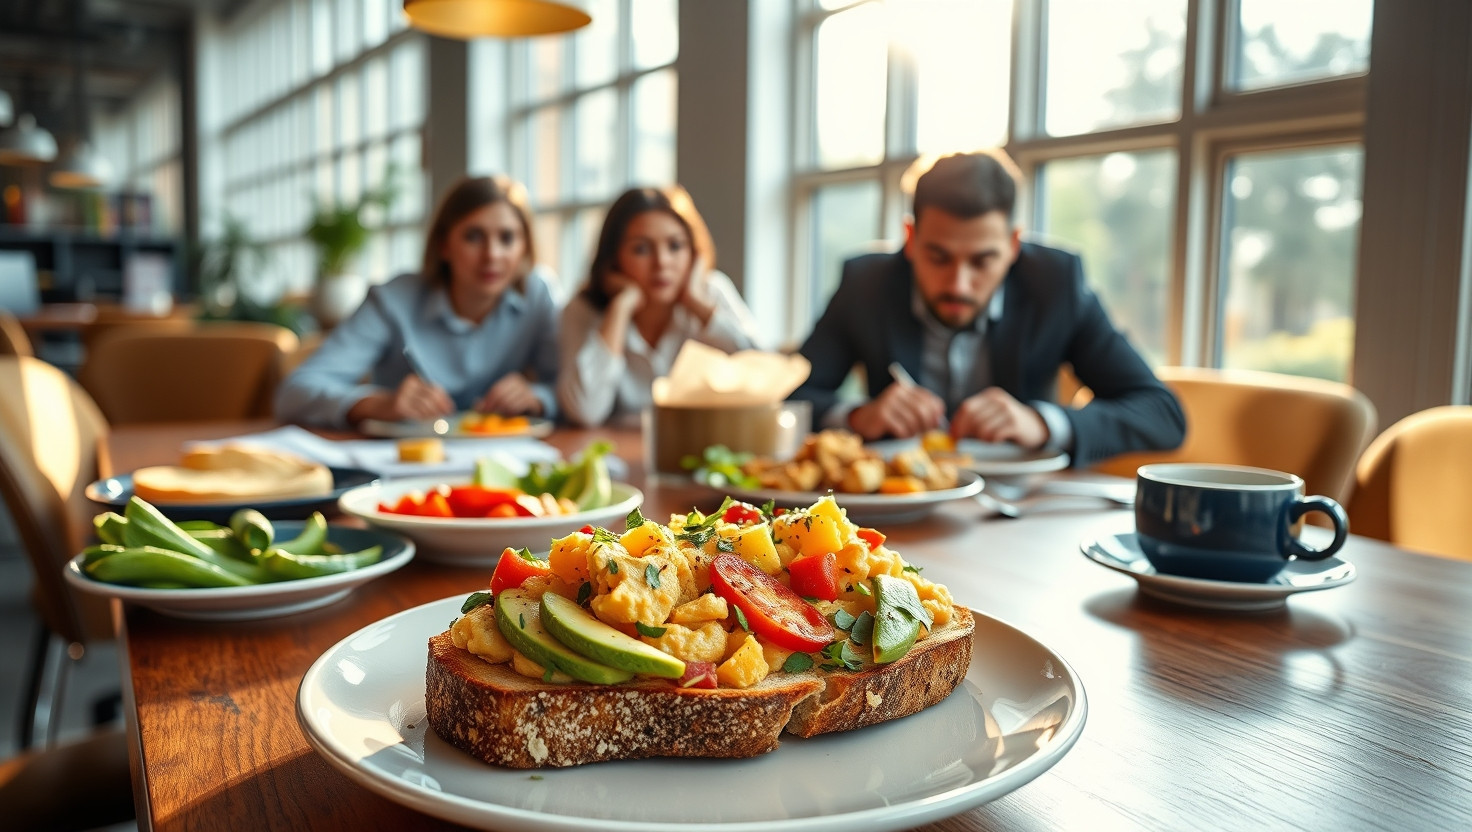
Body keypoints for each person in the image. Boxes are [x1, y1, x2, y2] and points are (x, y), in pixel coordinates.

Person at [791, 150, 1185, 468]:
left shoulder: (1056, 284)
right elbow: (789, 400)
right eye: (938, 256)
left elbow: (1162, 413)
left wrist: (1042, 423)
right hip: (897, 513)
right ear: (910, 239)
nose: (958, 284)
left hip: (1019, 516)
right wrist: (859, 417)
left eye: (982, 261)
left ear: (1014, 245)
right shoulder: (865, 284)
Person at [275, 175, 560, 428]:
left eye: (507, 238)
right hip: (400, 460)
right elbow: (294, 393)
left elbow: (570, 392)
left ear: (525, 247)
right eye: (474, 237)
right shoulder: (392, 300)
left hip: (502, 459)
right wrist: (376, 405)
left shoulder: (537, 295)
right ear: (444, 245)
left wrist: (538, 397)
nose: (492, 255)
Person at [558, 185, 762, 427]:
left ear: (695, 253)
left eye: (675, 246)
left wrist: (698, 304)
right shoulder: (584, 309)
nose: (662, 262)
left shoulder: (711, 293)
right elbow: (585, 410)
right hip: (621, 453)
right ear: (613, 257)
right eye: (641, 249)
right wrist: (621, 308)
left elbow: (765, 378)